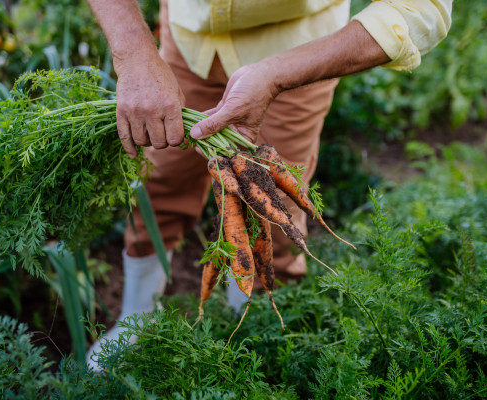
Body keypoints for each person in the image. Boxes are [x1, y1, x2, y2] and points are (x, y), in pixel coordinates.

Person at [85, 0, 452, 367]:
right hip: (189, 38)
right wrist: (135, 56)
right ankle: (137, 318)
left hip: (299, 50)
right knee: (159, 186)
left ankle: (249, 330)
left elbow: (425, 9)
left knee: (272, 217)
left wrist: (276, 75)